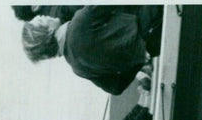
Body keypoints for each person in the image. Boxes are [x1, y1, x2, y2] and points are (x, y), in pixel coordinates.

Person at [21, 6, 163, 94]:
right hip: (153, 19)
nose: (42, 16)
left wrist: (138, 58)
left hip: (154, 47)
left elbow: (116, 87)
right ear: (48, 32)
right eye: (40, 21)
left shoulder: (77, 68)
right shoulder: (80, 22)